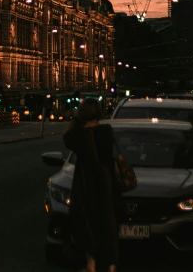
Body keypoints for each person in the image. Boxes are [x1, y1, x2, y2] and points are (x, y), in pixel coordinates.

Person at [63, 97, 119, 272]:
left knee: (85, 221)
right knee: (107, 221)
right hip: (106, 181)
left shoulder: (79, 136)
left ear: (82, 114)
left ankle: (91, 263)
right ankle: (110, 264)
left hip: (86, 183)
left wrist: (74, 119)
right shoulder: (107, 131)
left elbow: (66, 137)